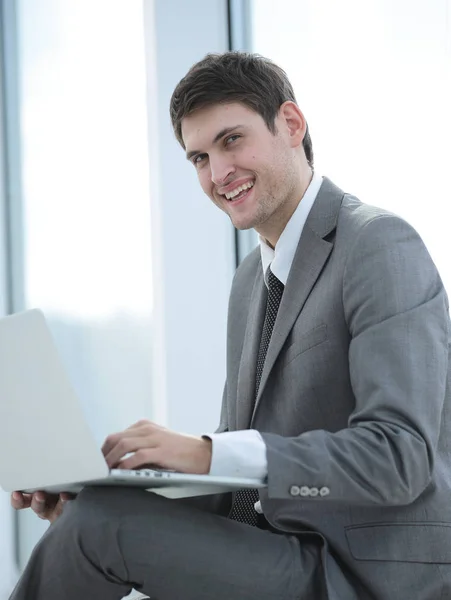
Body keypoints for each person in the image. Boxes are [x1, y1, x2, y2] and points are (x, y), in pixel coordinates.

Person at [9, 52, 451, 600]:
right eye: (199, 157)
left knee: (102, 527)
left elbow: (398, 458)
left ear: (291, 124)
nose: (218, 175)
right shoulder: (250, 280)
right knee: (97, 516)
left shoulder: (378, 244)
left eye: (232, 140)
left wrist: (205, 451)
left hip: (364, 574)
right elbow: (241, 487)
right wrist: (101, 492)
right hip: (277, 550)